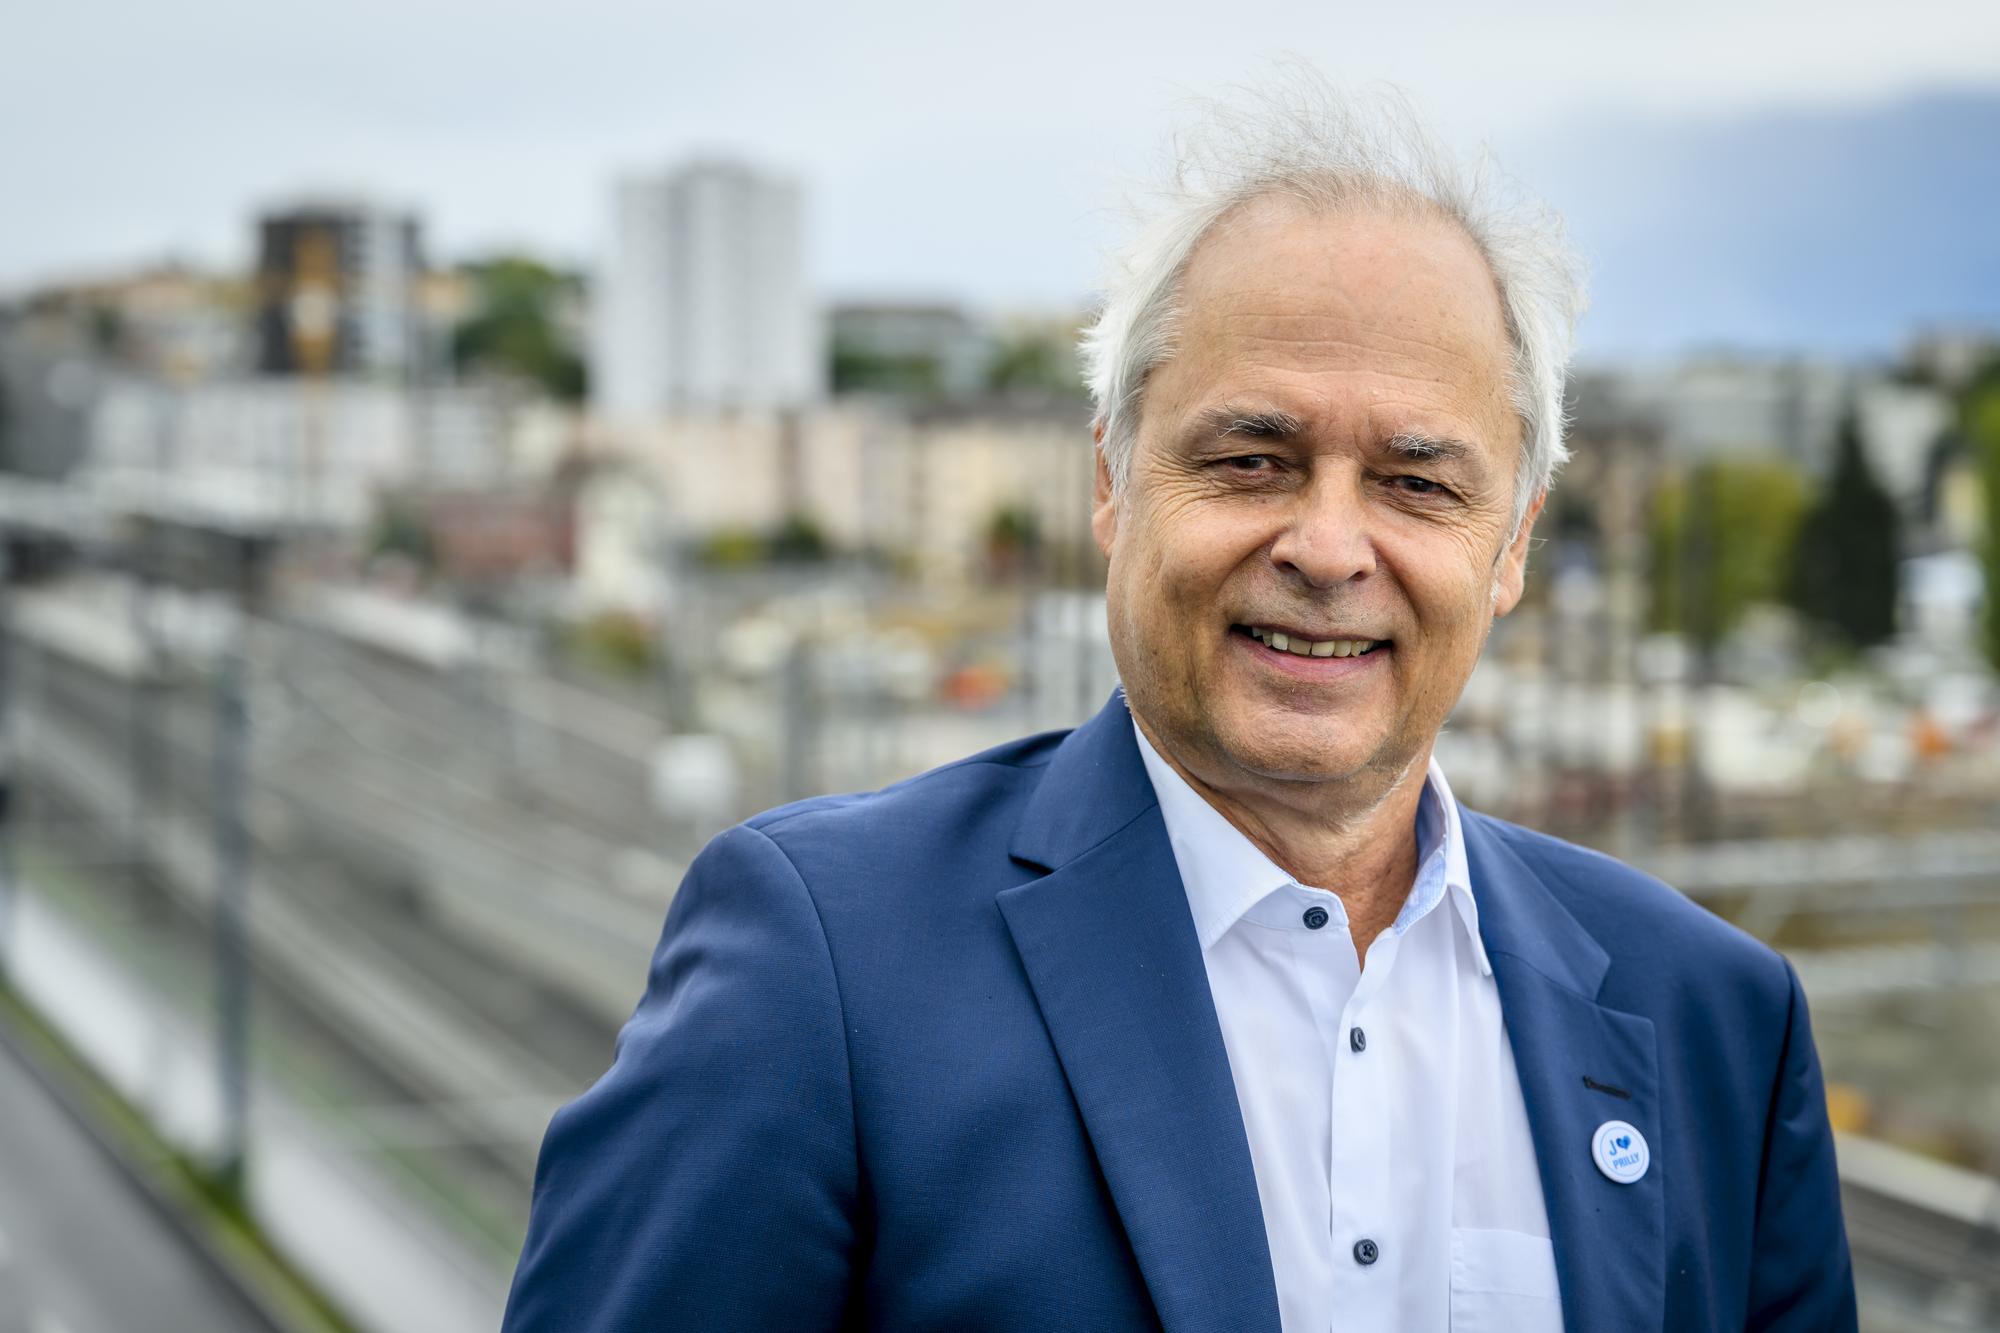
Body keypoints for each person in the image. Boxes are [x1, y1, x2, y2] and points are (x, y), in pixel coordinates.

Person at [501, 74, 1855, 1332]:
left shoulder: (1712, 1023)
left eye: (1418, 482)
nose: (1329, 548)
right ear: (1112, 481)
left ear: (1511, 546)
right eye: (1253, 458)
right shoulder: (820, 971)